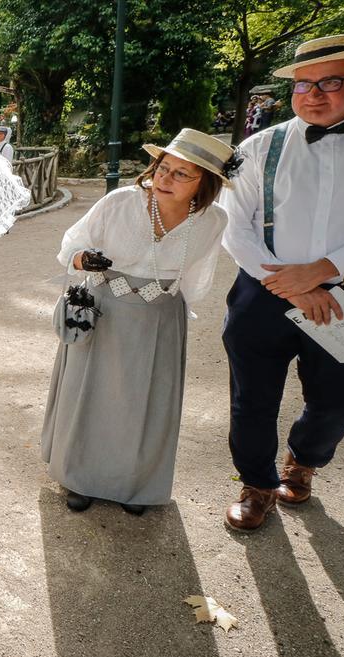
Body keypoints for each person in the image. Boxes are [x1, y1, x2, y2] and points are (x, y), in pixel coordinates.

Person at [41, 129, 239, 515]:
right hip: (102, 311)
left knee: (145, 403)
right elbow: (70, 249)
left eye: (182, 174)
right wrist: (84, 259)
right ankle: (81, 477)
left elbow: (196, 280)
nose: (165, 178)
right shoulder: (120, 202)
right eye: (164, 168)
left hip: (160, 318)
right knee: (90, 395)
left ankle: (135, 485)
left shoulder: (214, 221)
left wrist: (167, 312)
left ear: (206, 183)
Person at [219, 34, 344, 530]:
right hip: (263, 290)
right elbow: (234, 227)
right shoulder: (259, 147)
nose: (314, 94)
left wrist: (323, 271)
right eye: (303, 84)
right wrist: (293, 285)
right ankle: (256, 484)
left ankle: (304, 460)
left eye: (330, 82)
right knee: (251, 396)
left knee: (340, 397)